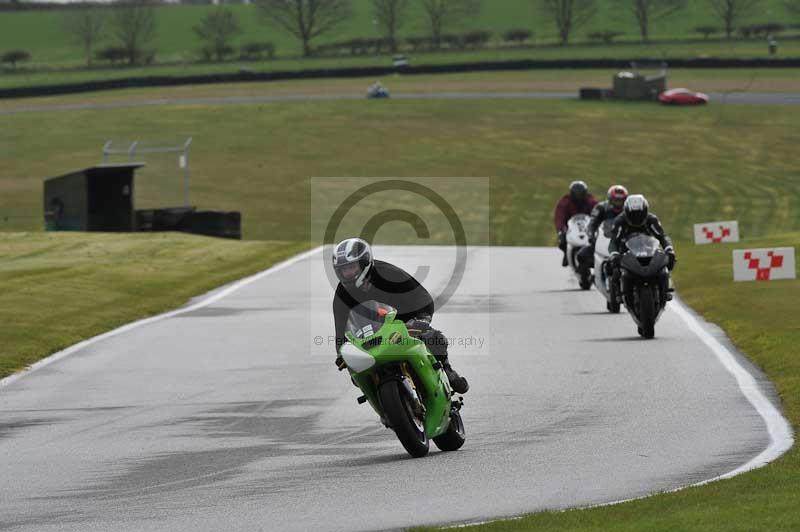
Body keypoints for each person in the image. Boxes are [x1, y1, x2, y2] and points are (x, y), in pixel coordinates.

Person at [331, 237, 469, 394]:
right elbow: (340, 329)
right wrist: (341, 353)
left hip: (405, 320)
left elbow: (422, 296)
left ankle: (447, 369)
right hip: (370, 333)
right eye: (344, 270)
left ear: (364, 262)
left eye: (352, 267)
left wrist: (422, 319)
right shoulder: (342, 294)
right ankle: (377, 398)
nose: (348, 273)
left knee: (433, 338)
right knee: (356, 374)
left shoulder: (388, 273)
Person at [607, 194, 676, 273]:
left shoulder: (652, 219)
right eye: (633, 215)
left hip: (650, 252)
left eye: (639, 214)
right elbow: (613, 241)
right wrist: (614, 254)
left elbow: (662, 237)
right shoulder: (619, 221)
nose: (636, 217)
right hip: (626, 254)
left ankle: (667, 281)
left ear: (645, 211)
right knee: (615, 271)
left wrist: (669, 249)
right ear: (626, 212)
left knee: (664, 270)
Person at [577, 184, 628, 268]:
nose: (618, 203)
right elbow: (592, 224)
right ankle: (587, 275)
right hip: (603, 238)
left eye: (620, 201)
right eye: (616, 200)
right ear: (610, 199)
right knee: (582, 255)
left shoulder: (628, 210)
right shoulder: (601, 208)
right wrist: (591, 236)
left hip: (622, 241)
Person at [554, 181, 597, 266]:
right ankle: (566, 253)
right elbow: (559, 216)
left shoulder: (590, 201)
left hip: (586, 225)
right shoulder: (564, 202)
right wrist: (561, 229)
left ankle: (593, 255)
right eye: (576, 195)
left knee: (595, 239)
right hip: (570, 226)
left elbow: (597, 211)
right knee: (561, 240)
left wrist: (595, 225)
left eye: (581, 195)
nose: (579, 197)